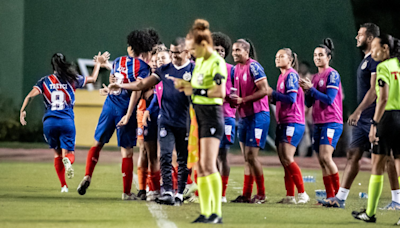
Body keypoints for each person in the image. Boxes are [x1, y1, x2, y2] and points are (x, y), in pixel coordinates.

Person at [109, 37, 194, 206]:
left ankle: (180, 192)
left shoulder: (195, 69)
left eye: (177, 52)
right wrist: (122, 86)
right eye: (172, 52)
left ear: (186, 52)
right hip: (166, 119)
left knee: (183, 158)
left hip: (185, 120)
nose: (174, 55)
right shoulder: (164, 70)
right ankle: (168, 191)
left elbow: (209, 90)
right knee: (165, 154)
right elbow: (142, 85)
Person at [76, 29, 156, 200]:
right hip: (124, 108)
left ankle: (87, 175)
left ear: (130, 49)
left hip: (109, 105)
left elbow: (114, 75)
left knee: (97, 143)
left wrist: (101, 63)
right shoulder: (144, 68)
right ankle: (126, 193)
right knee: (127, 152)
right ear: (145, 50)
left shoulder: (119, 61)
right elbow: (137, 89)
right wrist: (128, 115)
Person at [20, 52, 108, 192]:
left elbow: (30, 96)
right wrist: (98, 64)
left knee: (56, 154)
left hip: (49, 122)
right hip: (67, 122)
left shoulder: (45, 81)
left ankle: (64, 186)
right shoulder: (72, 79)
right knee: (69, 153)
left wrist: (23, 110)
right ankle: (68, 161)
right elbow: (93, 78)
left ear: (52, 66)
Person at [173, 19, 227, 224]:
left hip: (212, 114)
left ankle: (216, 212)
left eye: (191, 49)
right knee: (201, 167)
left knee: (208, 164)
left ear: (202, 45)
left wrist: (194, 89)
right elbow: (197, 89)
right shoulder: (201, 63)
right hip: (198, 115)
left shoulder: (215, 61)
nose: (190, 53)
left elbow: (219, 92)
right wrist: (185, 86)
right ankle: (206, 212)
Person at [352, 34, 400, 223]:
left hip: (387, 119)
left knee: (377, 165)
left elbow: (384, 98)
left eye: (375, 48)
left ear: (386, 48)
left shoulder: (383, 67)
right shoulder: (398, 65)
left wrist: (374, 124)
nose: (372, 53)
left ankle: (370, 213)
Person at [299, 38, 343, 201]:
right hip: (318, 122)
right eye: (315, 55)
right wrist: (306, 91)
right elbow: (310, 103)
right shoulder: (315, 78)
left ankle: (340, 195)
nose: (317, 58)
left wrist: (312, 89)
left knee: (326, 156)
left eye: (320, 55)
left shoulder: (332, 74)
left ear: (328, 57)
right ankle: (330, 196)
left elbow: (329, 99)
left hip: (331, 121)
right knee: (322, 160)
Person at [229, 38, 270, 204]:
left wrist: (243, 100)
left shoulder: (254, 66)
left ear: (247, 52)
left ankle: (261, 194)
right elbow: (235, 93)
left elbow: (265, 90)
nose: (235, 53)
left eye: (238, 50)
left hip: (258, 115)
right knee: (246, 157)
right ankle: (246, 195)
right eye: (233, 50)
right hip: (245, 116)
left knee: (252, 156)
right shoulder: (235, 69)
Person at [267, 48, 309, 204]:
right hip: (284, 121)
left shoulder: (291, 75)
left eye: (282, 56)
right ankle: (290, 196)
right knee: (284, 160)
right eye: (276, 56)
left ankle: (303, 193)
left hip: (293, 121)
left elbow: (291, 98)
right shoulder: (282, 76)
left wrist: (272, 93)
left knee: (288, 158)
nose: (278, 59)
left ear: (290, 60)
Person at [143, 47, 172, 201]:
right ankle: (153, 189)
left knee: (168, 155)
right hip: (151, 119)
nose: (157, 62)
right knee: (150, 155)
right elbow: (152, 97)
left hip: (170, 120)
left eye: (161, 59)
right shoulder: (152, 77)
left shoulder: (172, 76)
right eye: (154, 60)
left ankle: (175, 187)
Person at [212, 31, 235, 203]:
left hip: (226, 116)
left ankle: (222, 193)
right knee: (209, 156)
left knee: (222, 155)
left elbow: (235, 94)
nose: (219, 52)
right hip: (209, 116)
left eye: (221, 50)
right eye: (215, 49)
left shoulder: (231, 70)